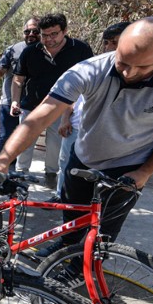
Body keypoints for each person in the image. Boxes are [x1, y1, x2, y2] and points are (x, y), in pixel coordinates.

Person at [0, 16, 153, 257]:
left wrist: (145, 171)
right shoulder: (90, 69)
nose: (128, 72)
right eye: (122, 61)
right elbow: (40, 117)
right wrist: (3, 160)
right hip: (83, 154)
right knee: (72, 214)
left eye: (142, 67)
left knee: (102, 231)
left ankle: (80, 271)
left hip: (130, 166)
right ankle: (66, 246)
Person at [51, 22, 132, 202]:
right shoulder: (92, 68)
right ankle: (60, 197)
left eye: (114, 42)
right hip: (76, 126)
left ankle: (93, 207)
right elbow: (72, 98)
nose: (108, 47)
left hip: (102, 133)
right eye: (106, 42)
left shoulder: (133, 74)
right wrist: (65, 119)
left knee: (97, 173)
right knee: (65, 163)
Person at [11, 13, 93, 186]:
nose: (48, 39)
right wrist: (14, 101)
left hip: (63, 109)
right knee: (24, 142)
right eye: (44, 35)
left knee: (55, 145)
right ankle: (21, 175)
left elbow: (87, 82)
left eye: (54, 34)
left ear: (65, 31)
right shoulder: (30, 51)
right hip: (31, 107)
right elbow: (18, 79)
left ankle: (51, 175)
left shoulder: (80, 49)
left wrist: (70, 112)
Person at [0, 17, 39, 169]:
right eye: (27, 31)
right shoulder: (13, 49)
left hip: (34, 104)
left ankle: (21, 169)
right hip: (9, 101)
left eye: (35, 31)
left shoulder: (47, 50)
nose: (31, 34)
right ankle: (2, 167)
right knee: (6, 136)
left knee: (25, 138)